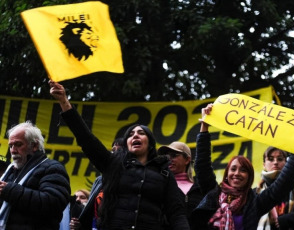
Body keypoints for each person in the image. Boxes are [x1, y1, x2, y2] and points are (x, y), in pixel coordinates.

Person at [49, 80, 190, 230]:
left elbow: (176, 213)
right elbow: (86, 138)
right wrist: (64, 102)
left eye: (141, 133)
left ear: (150, 143)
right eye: (131, 134)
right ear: (127, 143)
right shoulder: (113, 164)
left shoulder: (164, 172)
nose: (135, 136)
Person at [191, 103, 294, 230]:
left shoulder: (255, 202)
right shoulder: (213, 194)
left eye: (243, 170)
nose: (237, 173)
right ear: (226, 175)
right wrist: (204, 126)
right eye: (233, 169)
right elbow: (202, 165)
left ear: (249, 178)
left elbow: (283, 184)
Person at [0, 121, 71, 230]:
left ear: (34, 145)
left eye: (18, 144)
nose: (13, 150)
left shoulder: (52, 168)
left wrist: (10, 190)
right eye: (10, 146)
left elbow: (53, 203)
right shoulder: (10, 171)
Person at [255, 146, 294, 229]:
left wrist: (289, 219)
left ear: (286, 162)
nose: (275, 162)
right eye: (270, 159)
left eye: (280, 159)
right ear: (264, 164)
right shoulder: (254, 193)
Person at [158, 142, 204, 229]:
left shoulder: (200, 187)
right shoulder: (160, 185)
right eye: (166, 157)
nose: (169, 159)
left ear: (187, 160)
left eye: (174, 155)